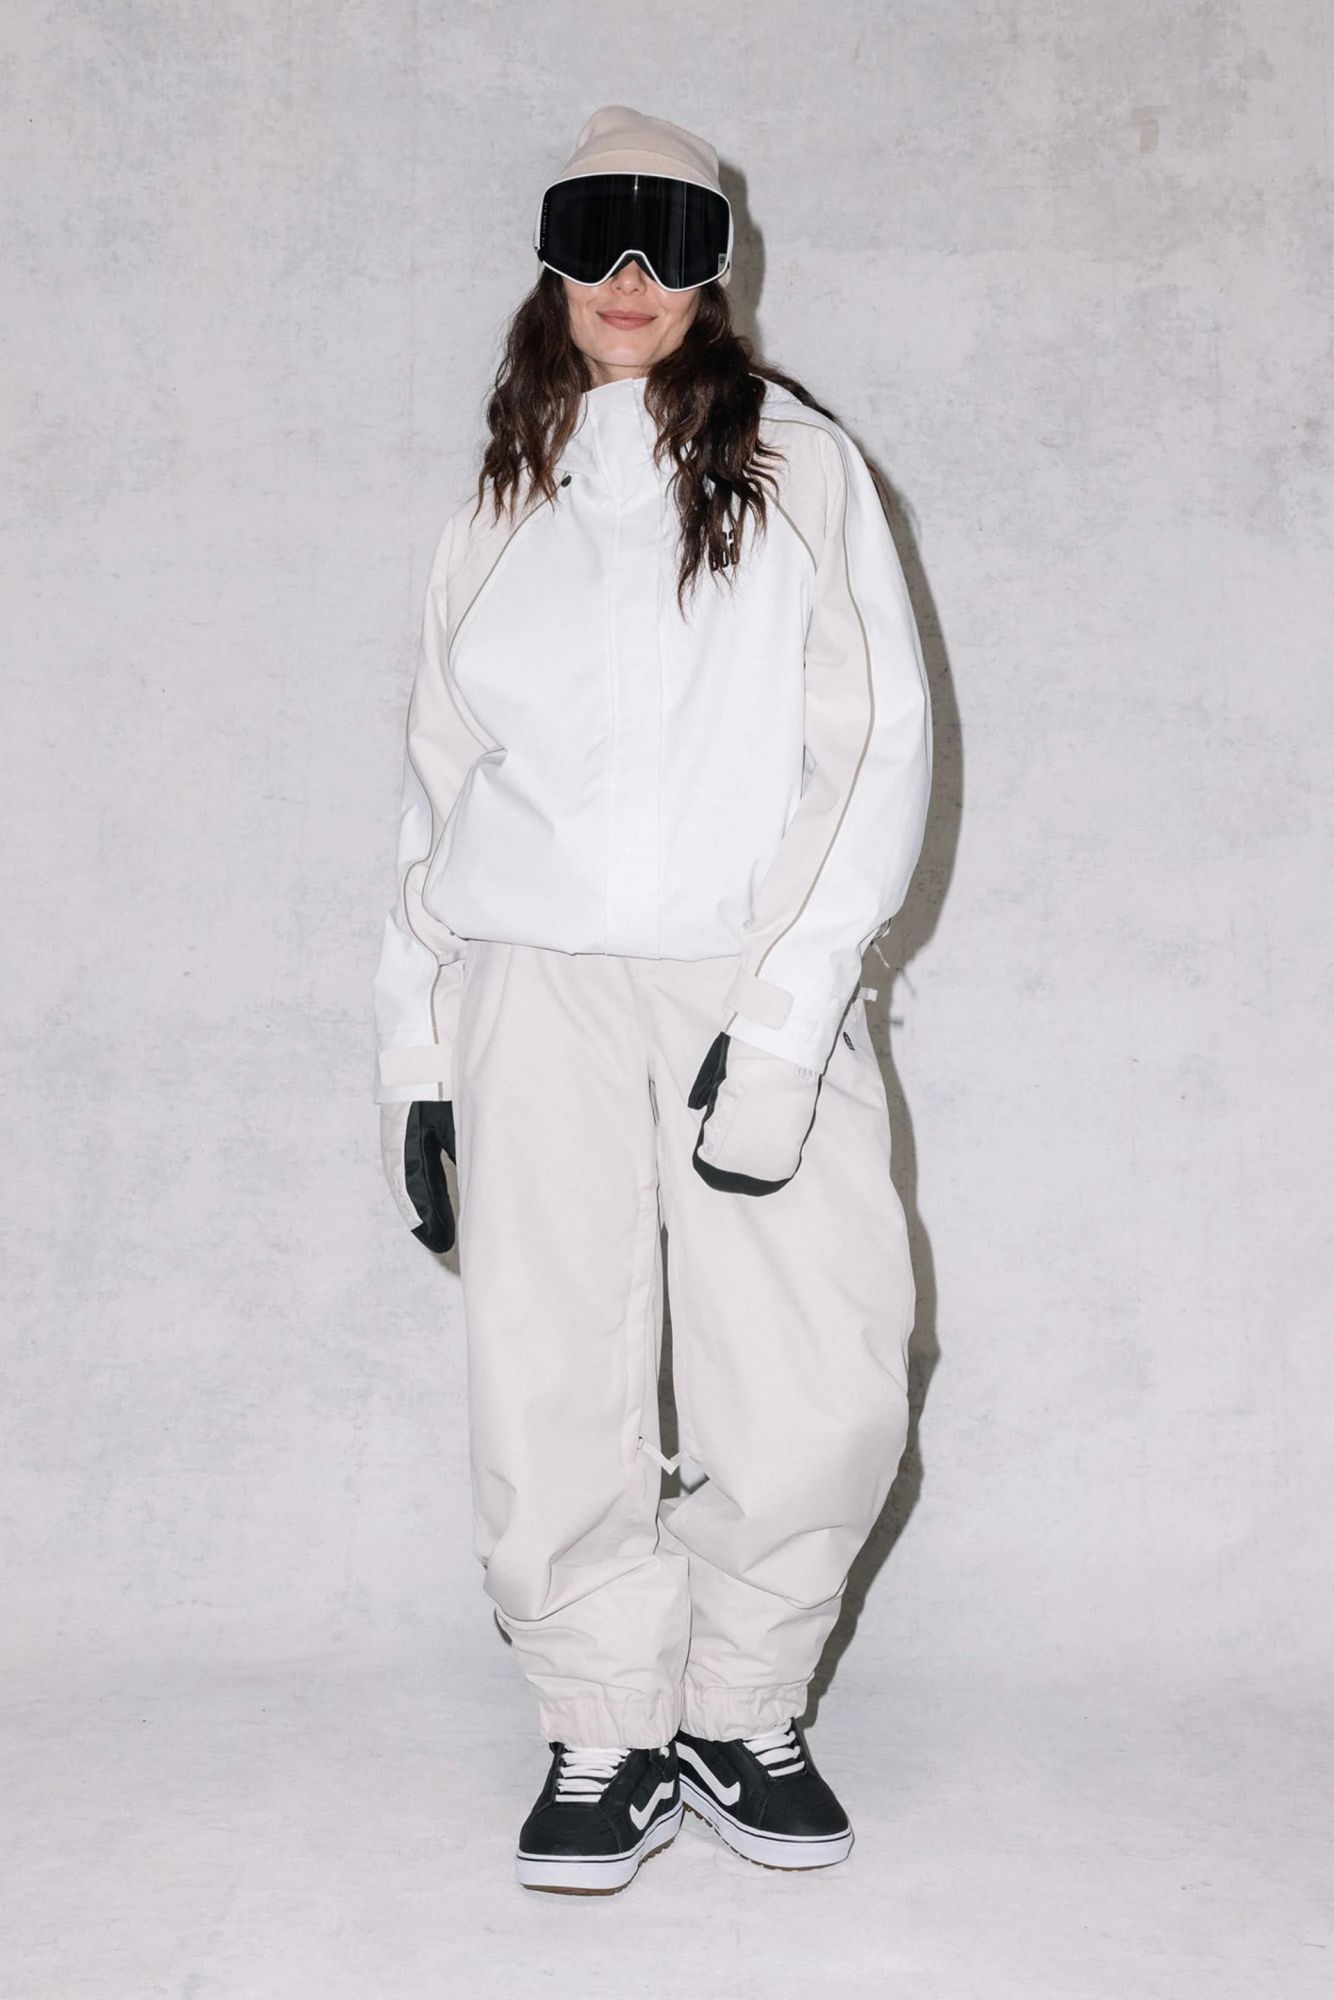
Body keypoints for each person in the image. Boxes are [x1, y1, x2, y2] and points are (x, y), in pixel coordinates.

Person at [373, 105, 932, 1895]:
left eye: (668, 241)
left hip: (738, 970)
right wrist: (414, 1052)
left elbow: (873, 746)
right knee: (550, 1365)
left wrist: (786, 1016)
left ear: (715, 271)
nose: (628, 278)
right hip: (527, 981)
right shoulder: (499, 494)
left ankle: (739, 1703)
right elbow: (435, 783)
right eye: (595, 237)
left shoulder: (799, 472)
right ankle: (604, 1724)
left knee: (821, 1367)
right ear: (549, 261)